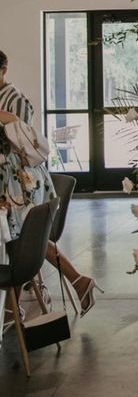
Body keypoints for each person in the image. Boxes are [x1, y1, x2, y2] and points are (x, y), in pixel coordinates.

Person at [0, 49, 101, 314]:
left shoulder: (15, 99)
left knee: (21, 234)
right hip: (7, 179)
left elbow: (23, 144)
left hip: (21, 180)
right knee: (18, 235)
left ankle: (13, 305)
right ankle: (77, 282)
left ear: (3, 70)